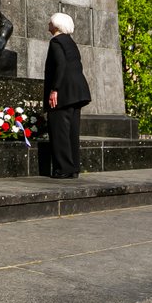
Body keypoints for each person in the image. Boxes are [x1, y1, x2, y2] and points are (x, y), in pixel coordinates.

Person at [44, 12, 92, 179]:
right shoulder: (70, 42)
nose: (48, 24)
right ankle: (73, 168)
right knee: (72, 132)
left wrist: (54, 89)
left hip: (63, 92)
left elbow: (61, 65)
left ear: (56, 25)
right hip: (76, 92)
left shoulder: (56, 41)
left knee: (59, 131)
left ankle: (63, 168)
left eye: (50, 22)